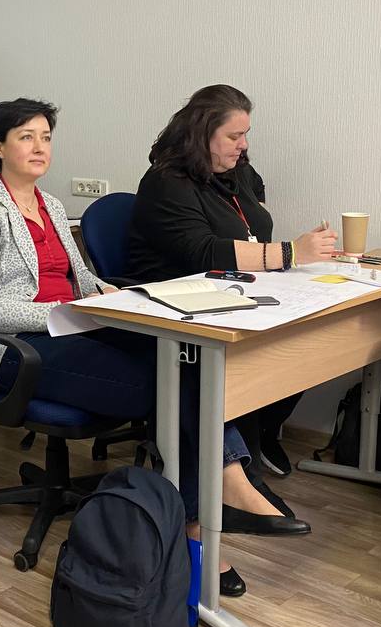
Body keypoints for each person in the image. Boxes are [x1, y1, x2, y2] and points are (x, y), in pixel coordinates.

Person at [0, 98, 307, 600]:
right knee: (165, 382)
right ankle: (205, 521)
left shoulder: (51, 207)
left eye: (46, 137)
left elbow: (79, 276)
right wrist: (68, 311)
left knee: (186, 358)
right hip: (16, 348)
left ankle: (218, 497)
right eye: (26, 137)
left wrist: (110, 295)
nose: (40, 147)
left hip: (72, 328)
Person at [128, 84, 338, 503]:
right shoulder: (166, 182)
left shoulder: (236, 172)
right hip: (177, 308)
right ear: (201, 134)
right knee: (239, 360)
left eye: (246, 135)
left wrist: (288, 251)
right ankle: (238, 476)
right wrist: (290, 253)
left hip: (232, 296)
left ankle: (257, 440)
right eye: (234, 136)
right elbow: (204, 252)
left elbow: (255, 224)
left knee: (303, 340)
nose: (243, 145)